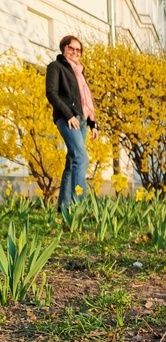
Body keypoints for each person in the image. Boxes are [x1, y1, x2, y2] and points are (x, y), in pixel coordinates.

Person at [46, 35, 99, 211]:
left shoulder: (80, 72)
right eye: (72, 48)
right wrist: (68, 115)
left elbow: (85, 100)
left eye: (78, 50)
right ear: (64, 48)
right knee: (81, 157)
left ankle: (64, 206)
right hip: (67, 118)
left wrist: (93, 124)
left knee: (72, 160)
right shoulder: (56, 67)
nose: (75, 52)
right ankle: (79, 206)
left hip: (82, 120)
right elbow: (51, 93)